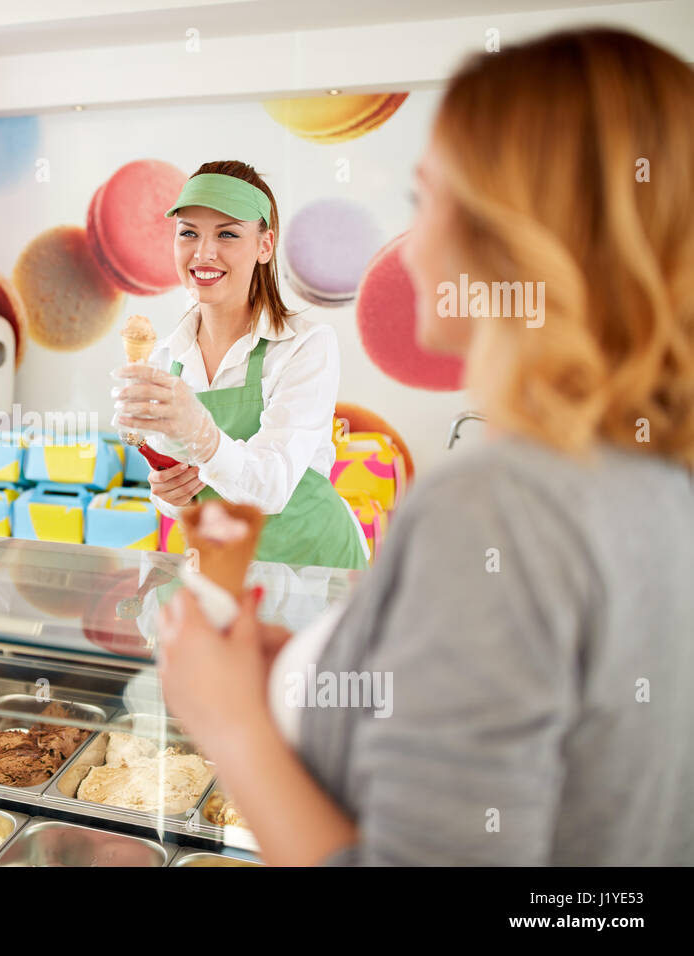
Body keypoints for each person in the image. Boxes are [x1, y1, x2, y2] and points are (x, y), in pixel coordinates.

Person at [157, 27, 694, 866]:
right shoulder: (656, 476)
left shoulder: (496, 506)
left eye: (426, 201)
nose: (411, 246)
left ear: (512, 234)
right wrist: (310, 666)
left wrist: (228, 720)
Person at [114, 162, 368, 570]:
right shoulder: (166, 358)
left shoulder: (305, 347)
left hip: (314, 570)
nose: (203, 252)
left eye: (228, 234)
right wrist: (166, 492)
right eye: (188, 233)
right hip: (221, 571)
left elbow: (273, 486)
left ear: (264, 246)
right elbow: (182, 488)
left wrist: (203, 435)